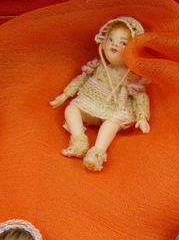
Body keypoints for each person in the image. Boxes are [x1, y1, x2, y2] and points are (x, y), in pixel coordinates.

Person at [50, 16, 150, 171]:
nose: (115, 44)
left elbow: (139, 96)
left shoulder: (130, 76)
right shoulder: (98, 66)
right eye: (111, 40)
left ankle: (97, 152)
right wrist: (65, 95)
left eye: (123, 43)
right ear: (103, 42)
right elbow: (81, 79)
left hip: (114, 108)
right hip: (91, 102)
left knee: (111, 124)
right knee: (71, 109)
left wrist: (142, 117)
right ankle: (79, 141)